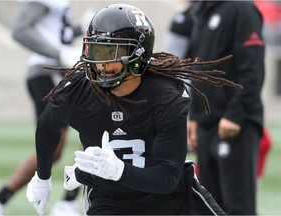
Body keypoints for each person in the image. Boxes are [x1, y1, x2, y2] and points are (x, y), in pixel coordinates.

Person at [24, 4, 243, 215]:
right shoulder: (77, 91)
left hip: (172, 199)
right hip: (109, 200)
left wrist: (118, 171)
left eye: (111, 53)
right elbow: (47, 126)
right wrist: (42, 178)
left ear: (138, 55)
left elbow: (168, 179)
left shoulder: (166, 97)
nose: (102, 64)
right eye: (98, 52)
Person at [0, 0, 94, 215]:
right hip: (49, 74)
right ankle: (66, 202)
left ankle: (0, 199)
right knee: (93, 130)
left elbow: (55, 34)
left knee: (56, 149)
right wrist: (57, 53)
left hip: (55, 73)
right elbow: (20, 31)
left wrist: (77, 29)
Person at [187, 1, 265, 215]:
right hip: (206, 124)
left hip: (234, 125)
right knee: (208, 207)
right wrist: (194, 115)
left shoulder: (242, 9)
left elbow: (252, 68)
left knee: (237, 208)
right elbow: (198, 67)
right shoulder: (202, 10)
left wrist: (235, 114)